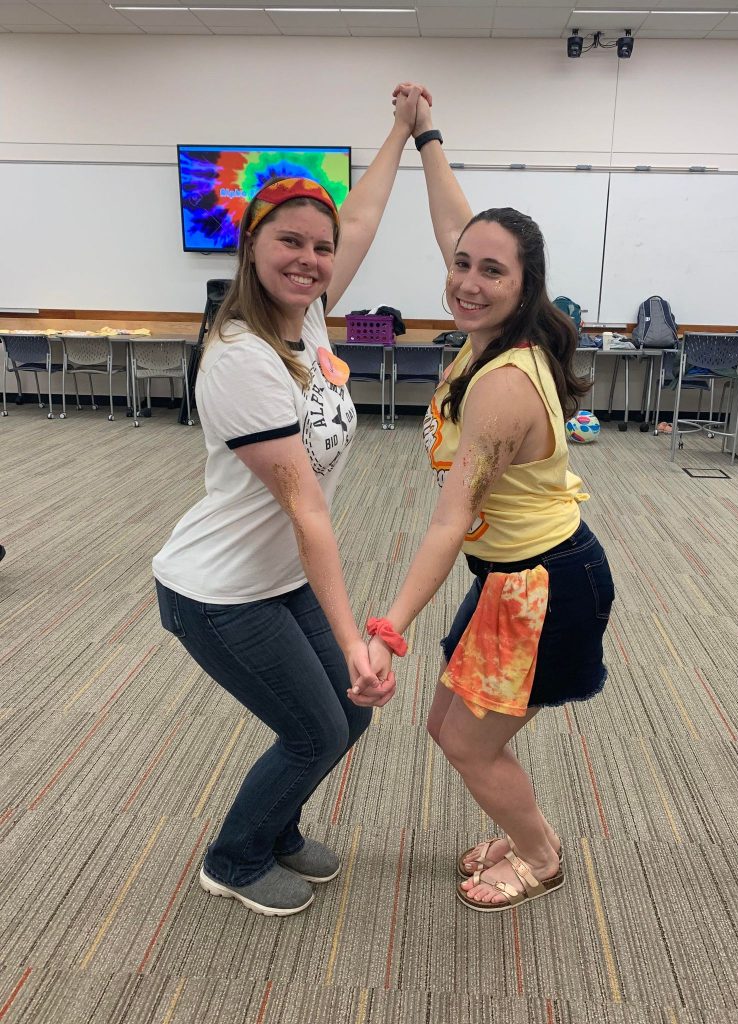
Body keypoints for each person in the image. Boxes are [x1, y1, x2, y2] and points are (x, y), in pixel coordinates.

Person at [152, 86, 426, 917]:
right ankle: (234, 859)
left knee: (347, 720)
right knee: (317, 728)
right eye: (290, 243)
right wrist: (352, 639)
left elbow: (364, 216)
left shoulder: (305, 320)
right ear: (250, 244)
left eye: (321, 247)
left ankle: (275, 831)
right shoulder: (242, 355)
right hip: (220, 593)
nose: (310, 259)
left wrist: (402, 132)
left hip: (274, 579)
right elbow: (308, 511)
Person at [352, 85, 615, 913]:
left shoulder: (504, 382)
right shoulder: (495, 330)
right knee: (451, 731)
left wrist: (387, 627)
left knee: (467, 741)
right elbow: (457, 223)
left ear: (525, 285)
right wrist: (426, 135)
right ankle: (518, 824)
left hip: (543, 584)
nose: (466, 280)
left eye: (489, 271)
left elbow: (446, 521)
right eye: (461, 264)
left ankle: (540, 855)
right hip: (509, 577)